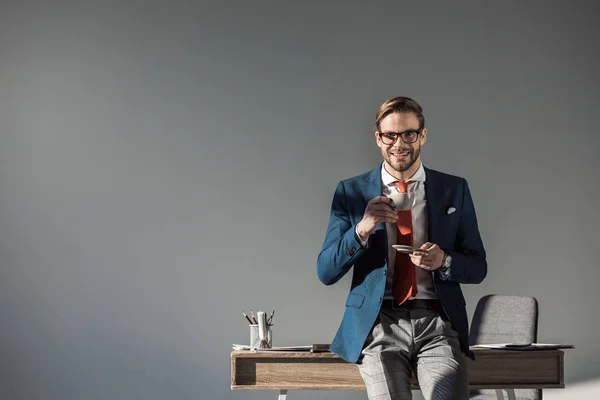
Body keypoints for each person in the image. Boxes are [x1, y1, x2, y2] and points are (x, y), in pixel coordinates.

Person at [317, 96, 487, 399]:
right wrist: (362, 228)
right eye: (390, 135)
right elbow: (326, 271)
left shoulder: (453, 189)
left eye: (408, 133)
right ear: (378, 139)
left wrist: (444, 261)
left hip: (438, 324)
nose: (399, 144)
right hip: (379, 324)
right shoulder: (352, 191)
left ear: (422, 134)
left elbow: (478, 266)